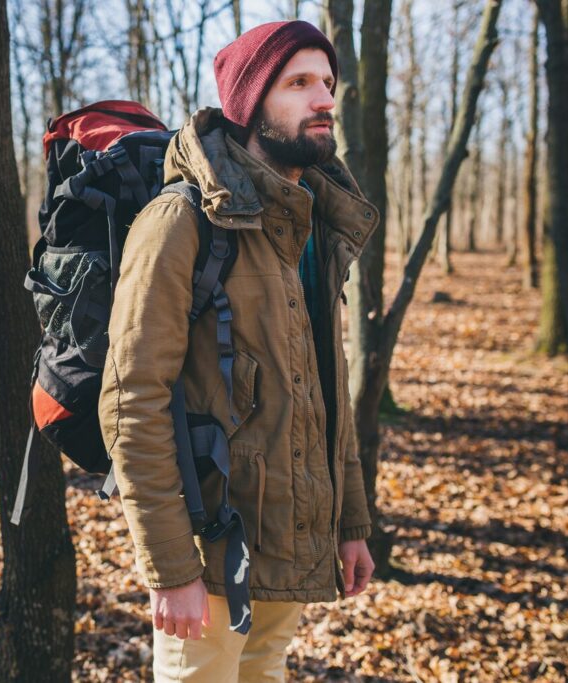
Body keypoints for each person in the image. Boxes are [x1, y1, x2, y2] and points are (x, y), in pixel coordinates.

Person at [98, 20, 378, 682]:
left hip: (289, 536)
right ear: (251, 101)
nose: (324, 100)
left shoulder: (312, 221)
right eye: (300, 82)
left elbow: (325, 389)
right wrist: (171, 567)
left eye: (328, 84)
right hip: (211, 544)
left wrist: (351, 519)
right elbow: (131, 397)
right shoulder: (182, 221)